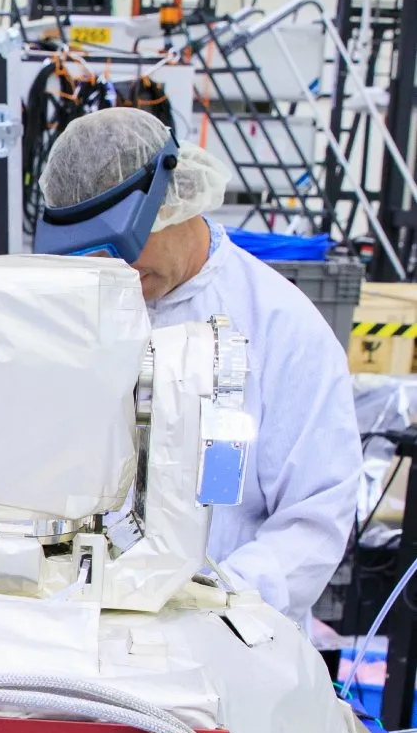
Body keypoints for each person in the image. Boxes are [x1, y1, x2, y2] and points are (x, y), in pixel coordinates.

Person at [40, 107, 361, 630]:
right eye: (91, 252)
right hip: (75, 632)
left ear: (176, 202)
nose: (113, 270)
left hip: (224, 640)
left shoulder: (280, 327)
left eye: (124, 247)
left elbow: (315, 516)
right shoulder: (69, 308)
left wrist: (210, 605)